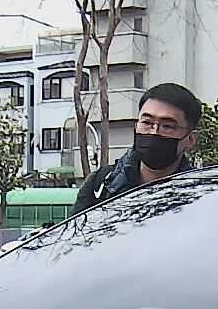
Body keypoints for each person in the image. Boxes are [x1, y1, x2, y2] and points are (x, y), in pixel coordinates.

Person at [72, 82, 202, 216]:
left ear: (191, 139)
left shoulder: (201, 195)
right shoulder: (100, 185)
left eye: (167, 126)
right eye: (147, 123)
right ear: (136, 126)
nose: (154, 132)